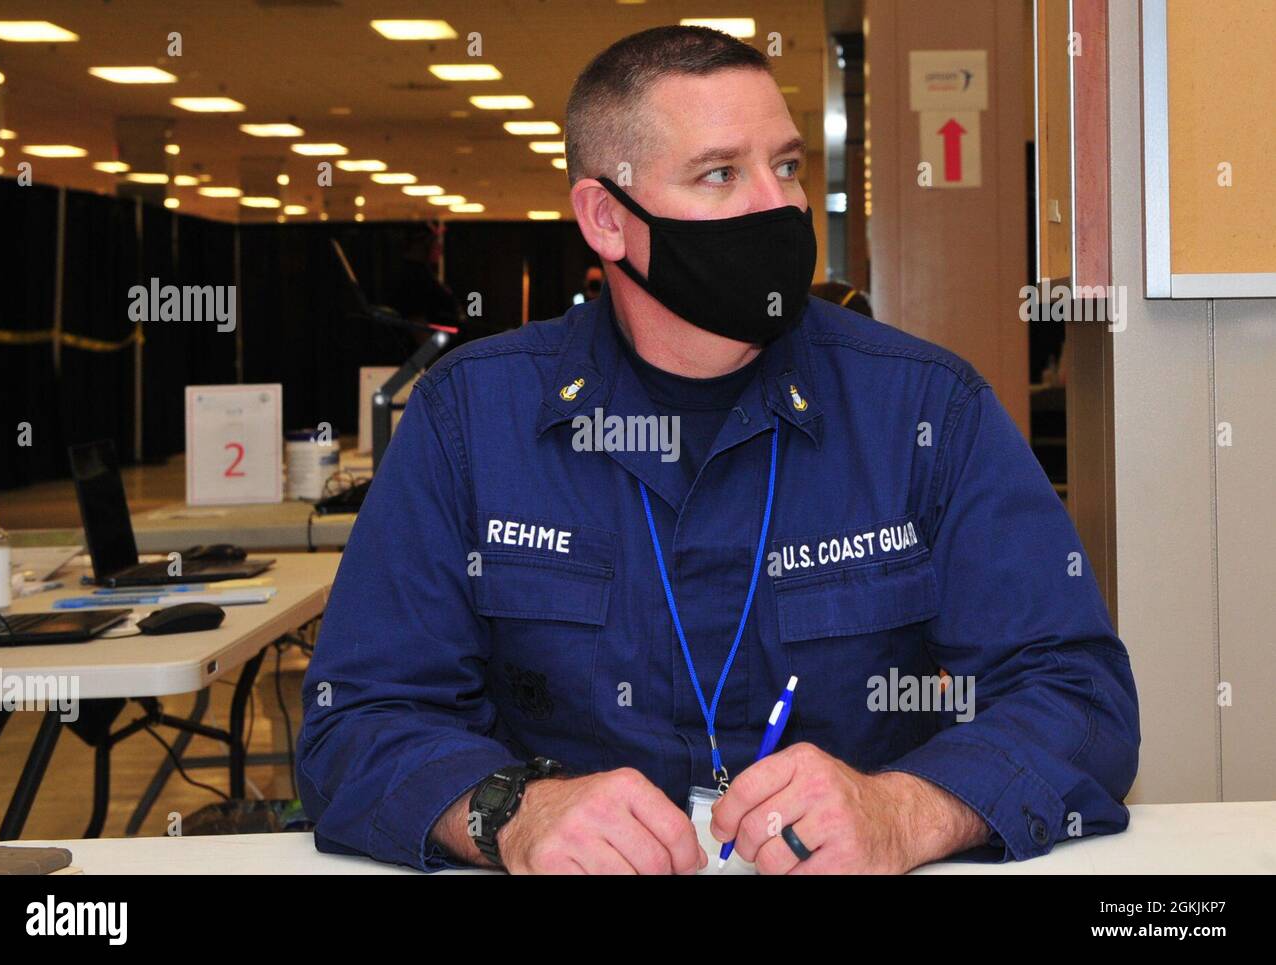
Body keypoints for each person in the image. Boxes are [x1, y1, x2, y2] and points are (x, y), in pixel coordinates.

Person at [297, 25, 1139, 875]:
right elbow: (357, 719)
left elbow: (1079, 694)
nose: (778, 205)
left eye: (787, 165)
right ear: (607, 219)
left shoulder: (925, 408)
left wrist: (904, 811)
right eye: (721, 173)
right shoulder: (469, 421)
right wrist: (512, 811)